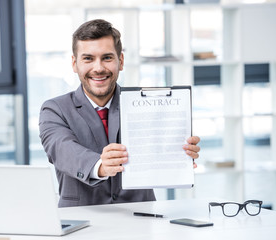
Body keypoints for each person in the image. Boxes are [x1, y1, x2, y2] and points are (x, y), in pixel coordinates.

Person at [39, 19, 200, 207]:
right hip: (82, 221)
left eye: (107, 57)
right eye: (88, 58)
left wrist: (181, 154)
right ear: (75, 64)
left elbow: (160, 152)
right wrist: (100, 166)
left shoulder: (148, 104)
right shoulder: (54, 110)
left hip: (142, 218)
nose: (98, 68)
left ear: (120, 61)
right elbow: (63, 150)